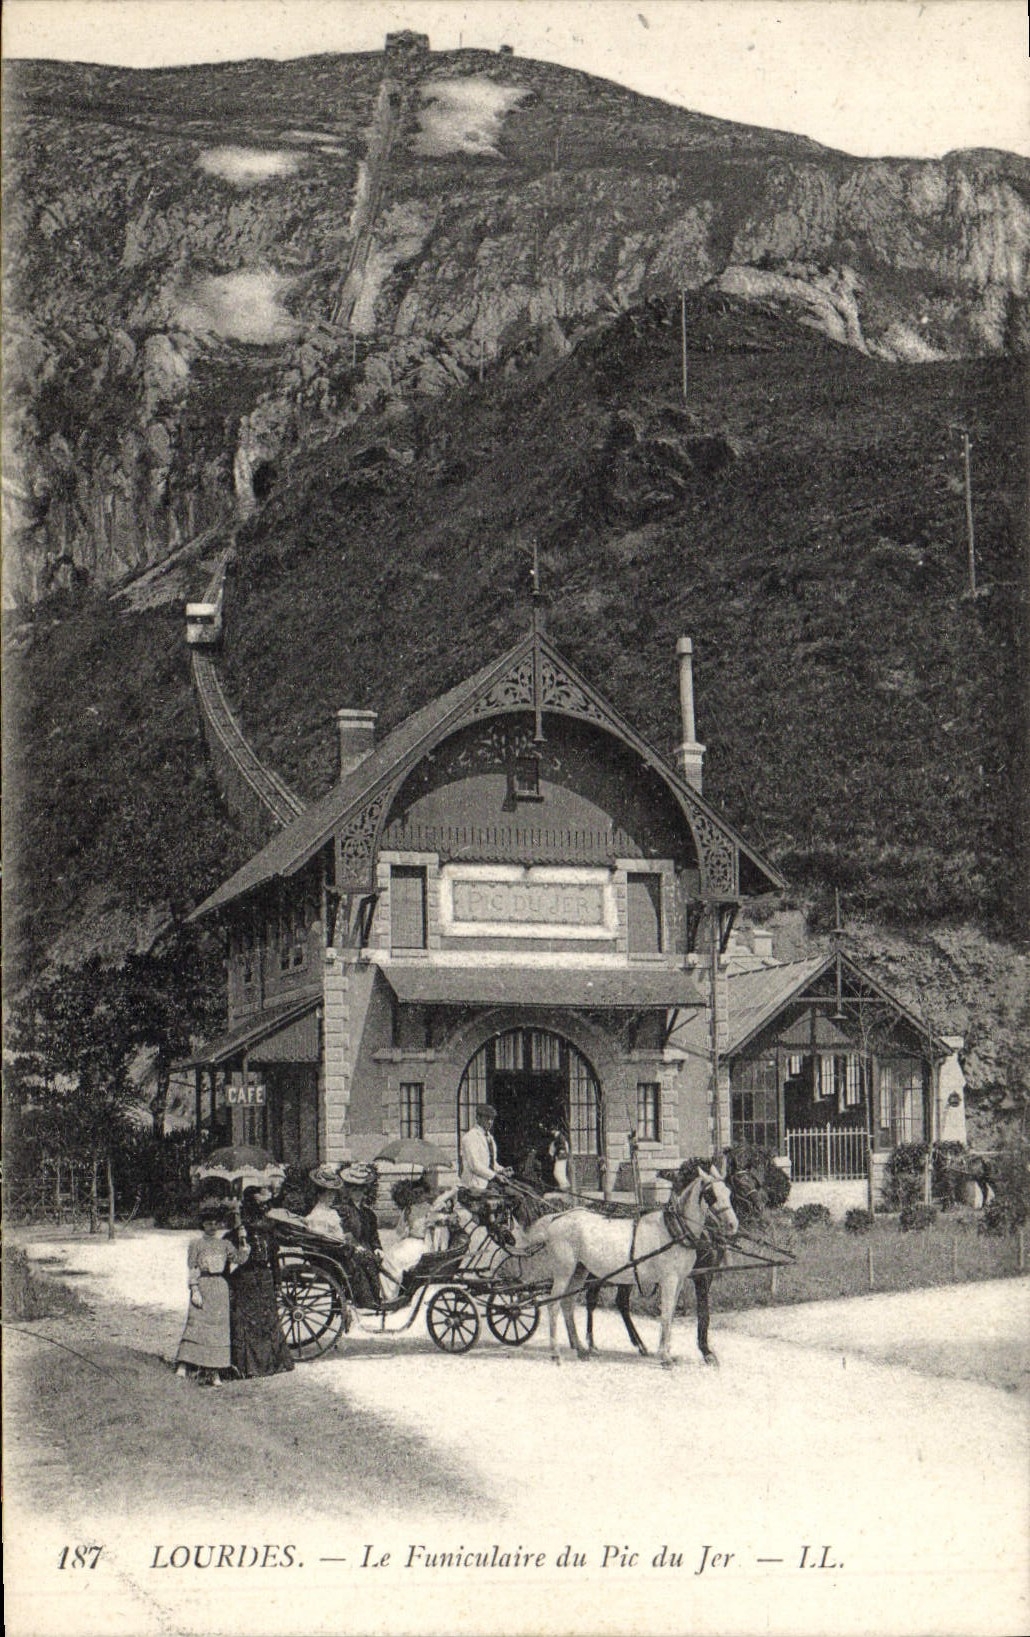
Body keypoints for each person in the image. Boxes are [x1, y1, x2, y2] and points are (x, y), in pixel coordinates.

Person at [175, 1199, 248, 1386]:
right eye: (208, 1223)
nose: (212, 1226)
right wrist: (194, 1289)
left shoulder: (224, 1244)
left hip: (220, 1288)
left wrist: (243, 1242)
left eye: (215, 1223)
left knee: (217, 1330)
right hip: (203, 1285)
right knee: (196, 1324)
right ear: (202, 1224)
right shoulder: (196, 1244)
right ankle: (184, 1364)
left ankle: (213, 1372)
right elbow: (192, 1267)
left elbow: (239, 1259)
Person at [227, 1185, 294, 1379]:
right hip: (246, 1277)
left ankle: (272, 1363)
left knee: (268, 1319)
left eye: (263, 1205)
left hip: (264, 1277)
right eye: (257, 1204)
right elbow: (228, 1256)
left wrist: (277, 1282)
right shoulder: (240, 1230)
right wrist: (240, 1245)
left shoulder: (267, 1228)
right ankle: (250, 1367)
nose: (262, 1208)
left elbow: (274, 1258)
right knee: (249, 1321)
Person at [334, 1163, 383, 1307]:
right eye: (354, 1189)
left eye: (361, 1189)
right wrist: (356, 1246)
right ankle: (367, 1300)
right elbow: (344, 1232)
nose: (358, 1193)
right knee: (364, 1261)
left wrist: (377, 1247)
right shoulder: (343, 1210)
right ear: (348, 1191)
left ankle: (379, 1298)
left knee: (377, 1260)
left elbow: (373, 1235)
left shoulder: (368, 1214)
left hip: (366, 1248)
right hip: (348, 1250)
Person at [460, 1103, 512, 1194]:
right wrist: (495, 1176)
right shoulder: (470, 1137)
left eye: (492, 1119)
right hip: (475, 1185)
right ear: (478, 1118)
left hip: (488, 1182)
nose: (490, 1122)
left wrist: (502, 1170)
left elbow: (491, 1163)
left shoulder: (489, 1138)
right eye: (486, 1118)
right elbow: (475, 1166)